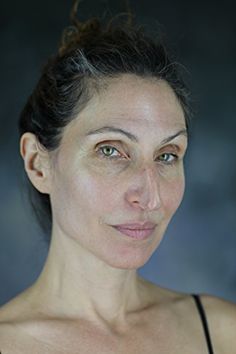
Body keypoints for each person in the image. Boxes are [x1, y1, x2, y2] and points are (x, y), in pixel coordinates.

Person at [0, 1, 235, 353]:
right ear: (38, 164)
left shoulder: (223, 333)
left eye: (167, 155)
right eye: (110, 150)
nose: (150, 196)